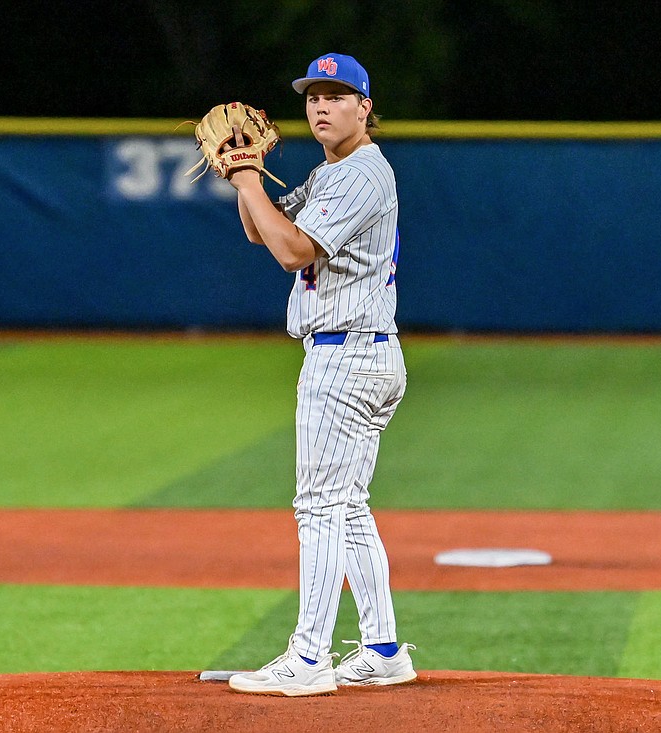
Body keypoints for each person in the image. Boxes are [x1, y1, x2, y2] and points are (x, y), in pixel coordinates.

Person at [225, 53, 416, 697]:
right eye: (313, 96)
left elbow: (292, 250)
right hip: (362, 351)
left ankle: (308, 657)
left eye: (336, 96)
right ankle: (384, 649)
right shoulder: (330, 172)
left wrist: (248, 175)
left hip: (345, 356)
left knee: (320, 508)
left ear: (365, 107)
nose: (321, 106)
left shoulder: (363, 173)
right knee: (349, 507)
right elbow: (264, 230)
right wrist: (245, 178)